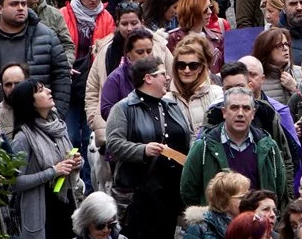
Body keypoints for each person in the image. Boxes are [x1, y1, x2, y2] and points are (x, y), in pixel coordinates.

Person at [105, 57, 191, 239]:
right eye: (162, 74)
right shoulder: (123, 108)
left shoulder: (172, 106)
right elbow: (113, 144)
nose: (168, 78)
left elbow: (187, 137)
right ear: (148, 78)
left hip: (170, 191)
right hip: (139, 194)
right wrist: (142, 150)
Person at [180, 86, 287, 208]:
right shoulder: (203, 147)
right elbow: (188, 190)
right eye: (234, 108)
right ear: (224, 112)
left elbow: (278, 187)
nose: (240, 113)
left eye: (246, 108)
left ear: (253, 113)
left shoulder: (269, 147)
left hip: (257, 221)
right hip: (218, 223)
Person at [6, 79, 83, 239]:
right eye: (40, 90)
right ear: (30, 102)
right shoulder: (23, 138)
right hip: (41, 211)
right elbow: (13, 183)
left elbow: (66, 160)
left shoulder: (58, 126)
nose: (48, 91)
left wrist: (77, 162)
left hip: (65, 202)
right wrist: (52, 172)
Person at [167, 34, 224, 137]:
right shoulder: (166, 100)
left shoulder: (218, 94)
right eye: (181, 65)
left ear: (201, 67)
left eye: (193, 66)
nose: (187, 70)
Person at [183, 171, 251, 239]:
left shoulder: (249, 226)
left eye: (248, 196)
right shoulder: (200, 226)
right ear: (224, 200)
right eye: (242, 197)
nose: (247, 200)